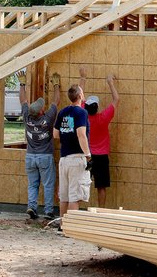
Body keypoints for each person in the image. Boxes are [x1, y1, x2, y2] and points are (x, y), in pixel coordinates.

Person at [18, 69, 60, 221]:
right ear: (42, 111)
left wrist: (22, 84)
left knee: (33, 185)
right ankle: (48, 212)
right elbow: (56, 102)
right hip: (45, 157)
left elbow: (22, 100)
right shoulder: (47, 119)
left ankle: (32, 208)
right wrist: (56, 86)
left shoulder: (27, 116)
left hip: (30, 157)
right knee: (48, 184)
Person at [52, 71, 92, 222]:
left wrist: (66, 135)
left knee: (65, 196)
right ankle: (71, 228)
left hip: (64, 159)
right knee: (75, 196)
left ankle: (63, 225)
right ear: (80, 96)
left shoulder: (63, 112)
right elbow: (81, 134)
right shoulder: (81, 112)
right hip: (77, 158)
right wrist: (88, 155)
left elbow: (55, 134)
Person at [81, 71, 119, 208]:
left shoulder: (83, 117)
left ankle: (76, 207)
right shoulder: (103, 118)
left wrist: (83, 77)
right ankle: (101, 211)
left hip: (87, 156)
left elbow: (79, 98)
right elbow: (116, 100)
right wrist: (110, 83)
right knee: (101, 186)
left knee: (82, 183)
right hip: (101, 157)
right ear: (97, 107)